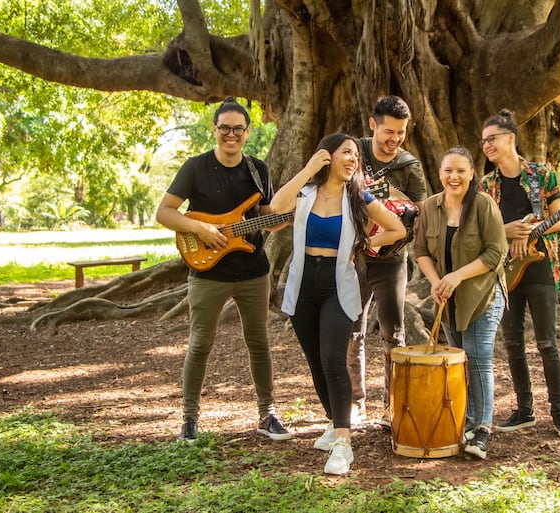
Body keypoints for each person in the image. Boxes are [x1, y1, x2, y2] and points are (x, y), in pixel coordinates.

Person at [155, 97, 291, 444]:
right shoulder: (195, 168)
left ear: (247, 132)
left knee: (259, 342)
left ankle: (268, 412)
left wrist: (281, 220)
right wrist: (201, 229)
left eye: (238, 129)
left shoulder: (258, 169)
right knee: (200, 344)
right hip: (207, 273)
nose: (231, 134)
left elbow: (264, 215)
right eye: (225, 128)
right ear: (215, 130)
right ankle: (189, 419)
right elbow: (165, 212)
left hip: (253, 270)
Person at [269, 133, 406, 475]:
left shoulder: (358, 196)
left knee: (333, 358)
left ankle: (343, 443)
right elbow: (276, 206)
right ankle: (336, 422)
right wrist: (307, 168)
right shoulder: (306, 193)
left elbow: (397, 229)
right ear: (326, 155)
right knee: (316, 361)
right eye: (346, 152)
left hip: (337, 283)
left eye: (356, 155)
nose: (353, 159)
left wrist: (363, 243)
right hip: (303, 285)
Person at [479, 108, 560, 439]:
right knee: (511, 341)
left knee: (547, 342)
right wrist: (509, 232)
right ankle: (524, 410)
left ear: (511, 138)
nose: (487, 145)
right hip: (504, 271)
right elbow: (482, 230)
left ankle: (559, 413)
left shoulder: (541, 175)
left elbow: (558, 218)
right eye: (483, 142)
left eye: (491, 139)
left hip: (539, 269)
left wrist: (530, 231)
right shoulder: (486, 185)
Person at [414, 147, 508, 459]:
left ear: (471, 174)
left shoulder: (484, 205)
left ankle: (482, 429)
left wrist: (456, 276)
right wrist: (437, 281)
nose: (454, 177)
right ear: (440, 174)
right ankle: (465, 421)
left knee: (479, 358)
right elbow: (421, 252)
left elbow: (496, 254)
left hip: (482, 295)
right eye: (448, 171)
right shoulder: (430, 206)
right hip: (448, 300)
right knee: (459, 361)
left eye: (461, 171)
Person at [348, 95, 427, 427]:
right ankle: (355, 403)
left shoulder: (409, 167)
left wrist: (393, 206)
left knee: (394, 334)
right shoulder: (352, 152)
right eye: (388, 132)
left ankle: (392, 403)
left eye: (401, 132)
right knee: (352, 332)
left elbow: (420, 216)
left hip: (391, 261)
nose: (394, 139)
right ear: (372, 124)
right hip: (351, 259)